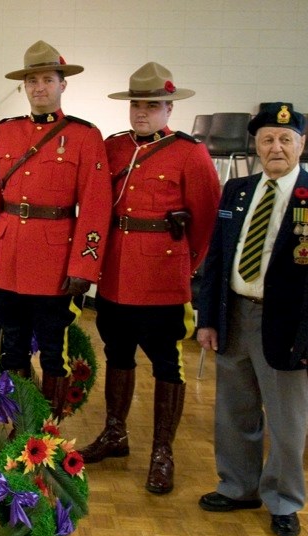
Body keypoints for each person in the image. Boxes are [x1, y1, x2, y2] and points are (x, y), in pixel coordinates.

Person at [78, 63, 220, 494]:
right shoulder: (114, 147)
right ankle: (116, 433)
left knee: (166, 362)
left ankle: (163, 450)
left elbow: (207, 219)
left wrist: (186, 266)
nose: (142, 113)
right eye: (137, 104)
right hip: (116, 271)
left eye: (152, 106)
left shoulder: (189, 153)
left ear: (168, 108)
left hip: (162, 274)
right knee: (117, 353)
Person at [0, 40, 112, 418]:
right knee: (11, 344)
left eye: (48, 79)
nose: (39, 88)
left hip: (55, 262)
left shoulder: (84, 136)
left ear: (62, 84)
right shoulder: (5, 131)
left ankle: (47, 431)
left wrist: (84, 266)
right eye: (32, 81)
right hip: (6, 256)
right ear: (24, 87)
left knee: (53, 349)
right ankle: (14, 425)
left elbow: (96, 208)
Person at [197, 103, 308, 536]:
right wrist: (207, 319)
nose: (275, 147)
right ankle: (239, 487)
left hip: (290, 325)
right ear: (256, 145)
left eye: (285, 139)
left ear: (301, 144)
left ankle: (284, 500)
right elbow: (219, 256)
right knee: (234, 411)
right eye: (267, 139)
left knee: (287, 421)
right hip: (235, 314)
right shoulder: (237, 190)